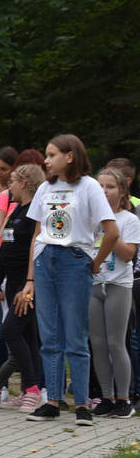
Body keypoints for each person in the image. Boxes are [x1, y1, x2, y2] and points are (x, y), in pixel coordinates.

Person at [24, 135, 118, 426]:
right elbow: (37, 234)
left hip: (74, 261)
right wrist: (30, 276)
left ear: (70, 156)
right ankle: (52, 401)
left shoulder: (89, 186)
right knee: (49, 336)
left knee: (75, 336)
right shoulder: (45, 187)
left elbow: (111, 231)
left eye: (52, 155)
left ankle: (81, 405)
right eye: (46, 155)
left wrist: (95, 261)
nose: (46, 161)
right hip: (45, 261)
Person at [0, 164, 46, 412]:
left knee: (11, 330)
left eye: (12, 181)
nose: (9, 186)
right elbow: (5, 249)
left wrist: (29, 284)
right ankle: (27, 392)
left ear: (24, 183)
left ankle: (33, 388)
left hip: (27, 283)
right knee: (28, 338)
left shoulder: (36, 212)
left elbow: (36, 248)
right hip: (10, 283)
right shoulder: (17, 210)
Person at [87, 168, 138, 419]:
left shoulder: (129, 220)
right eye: (100, 187)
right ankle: (105, 397)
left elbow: (128, 254)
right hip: (94, 286)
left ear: (122, 192)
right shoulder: (90, 218)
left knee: (116, 343)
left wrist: (111, 231)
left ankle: (124, 398)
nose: (105, 192)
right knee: (97, 343)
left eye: (110, 187)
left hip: (118, 286)